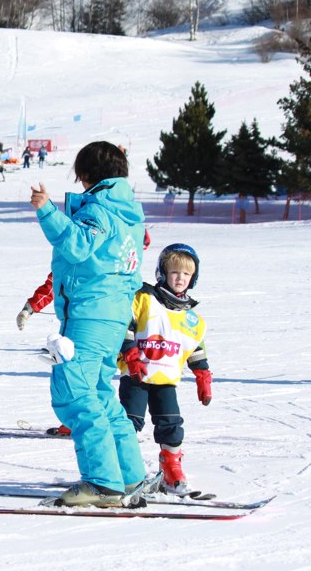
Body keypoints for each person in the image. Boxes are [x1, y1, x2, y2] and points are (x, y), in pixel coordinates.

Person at [28, 141, 147, 507]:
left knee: (75, 394)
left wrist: (46, 210)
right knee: (99, 395)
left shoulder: (100, 209)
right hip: (112, 316)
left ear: (85, 173)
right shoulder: (130, 213)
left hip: (89, 315)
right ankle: (129, 476)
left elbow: (78, 245)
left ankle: (102, 482)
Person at [16, 229, 152, 438]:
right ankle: (77, 420)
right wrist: (30, 307)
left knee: (95, 377)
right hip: (81, 324)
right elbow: (53, 284)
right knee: (78, 373)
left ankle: (102, 423)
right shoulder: (76, 259)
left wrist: (135, 235)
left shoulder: (115, 261)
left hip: (109, 324)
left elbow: (133, 243)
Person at [118, 244, 210, 495]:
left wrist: (203, 374)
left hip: (166, 378)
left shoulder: (192, 318)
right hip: (137, 374)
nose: (180, 278)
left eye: (186, 274)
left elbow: (195, 347)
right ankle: (121, 471)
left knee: (171, 424)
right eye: (174, 272)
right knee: (129, 423)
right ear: (162, 273)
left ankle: (171, 471)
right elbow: (126, 324)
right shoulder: (144, 299)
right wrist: (130, 352)